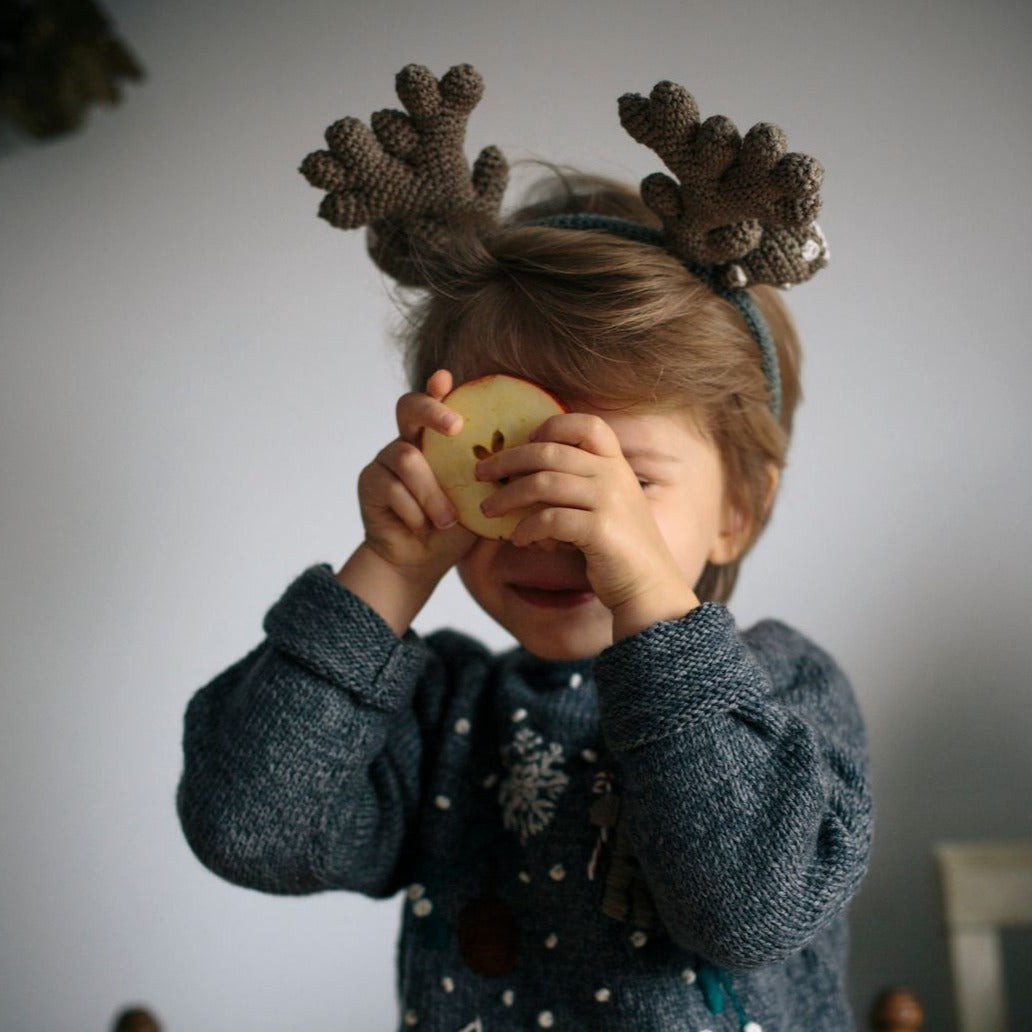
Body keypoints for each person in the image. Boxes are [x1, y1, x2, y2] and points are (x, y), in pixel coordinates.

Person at [177, 64, 872, 1032]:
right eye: (501, 463)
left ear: (738, 510)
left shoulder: (788, 696)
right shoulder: (445, 713)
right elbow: (245, 826)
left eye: (619, 479)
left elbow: (748, 907)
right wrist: (386, 573)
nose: (553, 518)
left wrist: (646, 600)